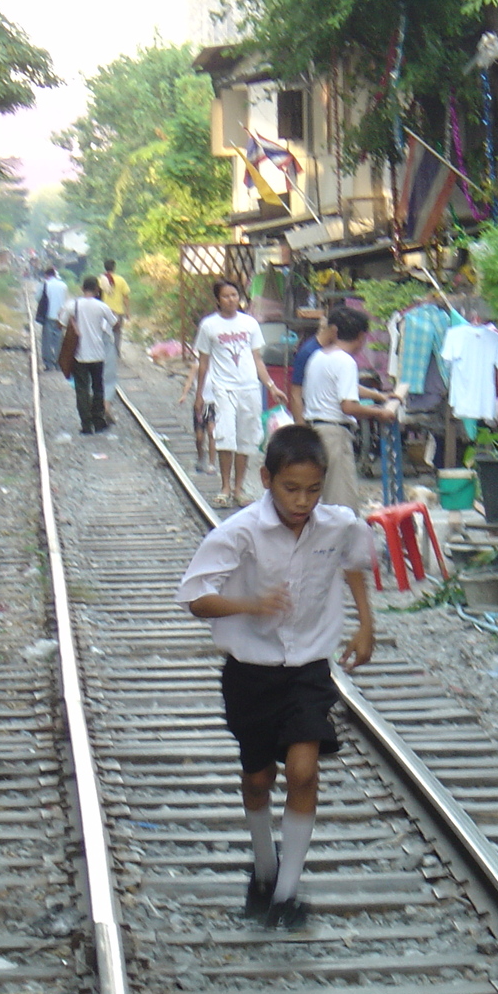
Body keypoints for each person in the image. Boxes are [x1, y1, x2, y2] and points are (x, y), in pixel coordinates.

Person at [176, 425, 376, 930]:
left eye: (313, 489)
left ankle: (287, 895)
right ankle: (263, 870)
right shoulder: (239, 532)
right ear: (266, 479)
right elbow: (195, 597)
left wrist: (365, 625)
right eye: (291, 488)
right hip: (251, 671)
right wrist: (249, 604)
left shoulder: (338, 525)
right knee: (259, 776)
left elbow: (354, 561)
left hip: (308, 667)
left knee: (305, 770)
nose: (303, 500)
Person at [195, 279, 285, 508]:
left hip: (249, 388)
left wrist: (271, 386)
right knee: (225, 436)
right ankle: (225, 486)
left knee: (246, 438)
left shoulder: (250, 324)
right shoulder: (209, 326)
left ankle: (239, 488)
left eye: (234, 295)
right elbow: (203, 363)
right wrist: (199, 395)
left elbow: (257, 359)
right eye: (225, 296)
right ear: (218, 300)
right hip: (222, 388)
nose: (231, 300)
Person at [301, 306, 400, 511]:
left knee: (323, 501)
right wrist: (380, 412)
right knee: (341, 503)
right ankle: (343, 543)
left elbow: (345, 387)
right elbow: (348, 406)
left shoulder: (320, 356)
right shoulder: (346, 361)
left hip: (314, 431)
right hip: (333, 433)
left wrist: (378, 396)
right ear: (362, 336)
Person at [59, 276, 118, 435]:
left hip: (79, 355)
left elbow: (61, 324)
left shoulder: (73, 305)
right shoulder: (102, 307)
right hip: (98, 355)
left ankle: (86, 424)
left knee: (82, 390)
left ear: (82, 288)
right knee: (98, 388)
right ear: (97, 290)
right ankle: (98, 421)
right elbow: (114, 323)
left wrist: (72, 320)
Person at [178, 355, 217, 474]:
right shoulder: (197, 365)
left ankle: (211, 463)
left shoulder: (218, 366)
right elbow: (189, 382)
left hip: (212, 404)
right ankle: (200, 458)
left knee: (212, 432)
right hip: (199, 404)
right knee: (199, 436)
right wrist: (184, 394)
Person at [37, 266, 67, 371]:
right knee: (59, 340)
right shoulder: (64, 285)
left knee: (47, 341)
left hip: (48, 315)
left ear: (46, 275)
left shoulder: (45, 284)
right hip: (60, 317)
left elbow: (38, 298)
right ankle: (58, 363)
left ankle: (49, 364)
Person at [99, 258, 131, 357]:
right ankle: (116, 353)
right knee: (117, 332)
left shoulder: (100, 280)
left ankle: (104, 352)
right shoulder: (121, 280)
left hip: (104, 311)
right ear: (114, 267)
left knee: (103, 332)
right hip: (118, 311)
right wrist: (127, 311)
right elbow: (125, 297)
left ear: (105, 267)